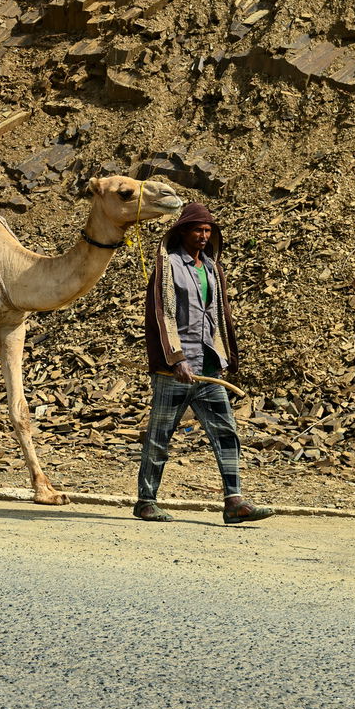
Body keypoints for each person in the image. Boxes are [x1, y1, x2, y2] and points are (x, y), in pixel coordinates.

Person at [134, 202, 274, 525]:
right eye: (198, 229)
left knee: (226, 432)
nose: (203, 236)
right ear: (182, 232)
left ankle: (234, 501)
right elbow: (162, 315)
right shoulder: (167, 267)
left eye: (208, 230)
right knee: (159, 436)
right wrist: (176, 358)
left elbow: (218, 316)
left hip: (209, 369)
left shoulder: (212, 268)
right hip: (175, 371)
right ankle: (145, 501)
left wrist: (224, 356)